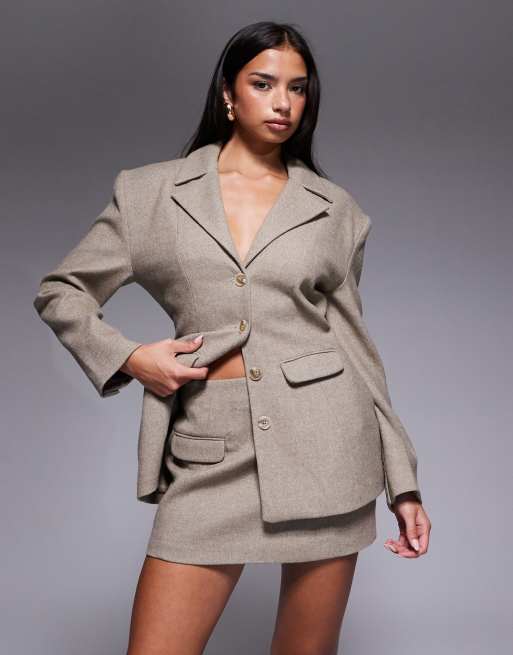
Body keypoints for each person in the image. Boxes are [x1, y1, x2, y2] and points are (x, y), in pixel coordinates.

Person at [33, 20, 431, 655]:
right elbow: (63, 291)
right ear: (228, 92)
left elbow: (356, 348)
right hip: (208, 450)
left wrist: (403, 484)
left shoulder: (334, 209)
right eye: (263, 84)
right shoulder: (150, 194)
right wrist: (132, 358)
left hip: (325, 449)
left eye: (297, 88)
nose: (283, 103)